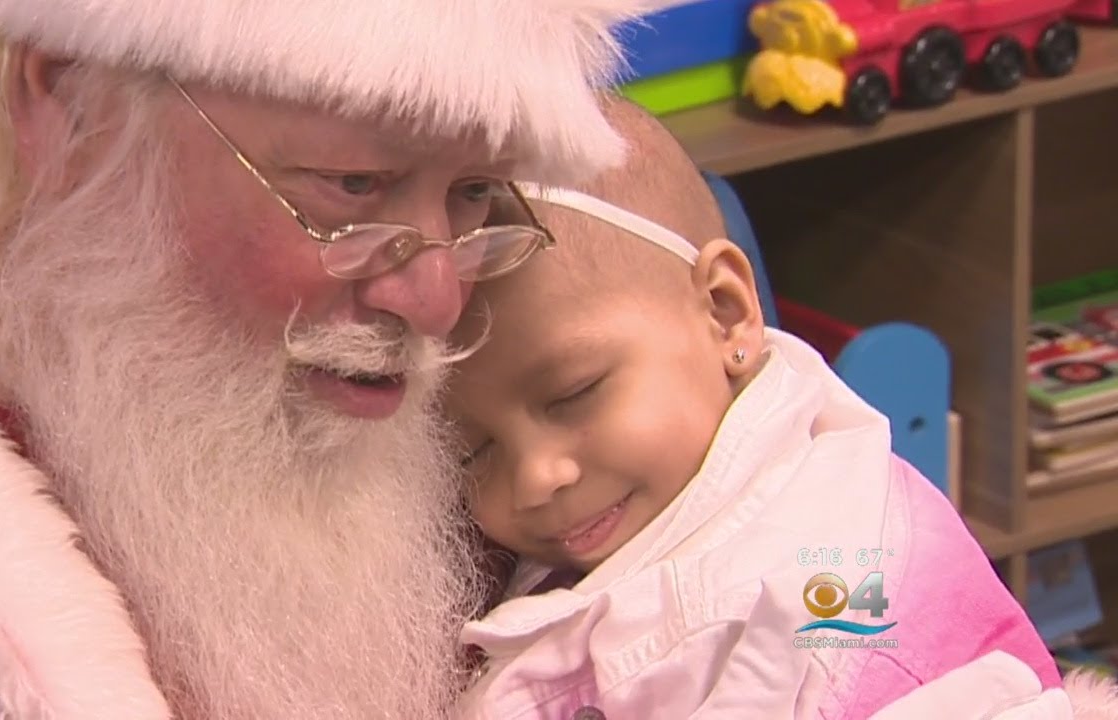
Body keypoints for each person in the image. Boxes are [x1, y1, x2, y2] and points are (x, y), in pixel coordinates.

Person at [0, 1, 660, 718]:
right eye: (354, 183)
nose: (438, 302)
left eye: (474, 192)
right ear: (69, 104)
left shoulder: (539, 386)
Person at [446, 100, 1118, 719]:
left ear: (725, 311)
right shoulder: (755, 473)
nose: (537, 477)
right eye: (473, 452)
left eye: (574, 393)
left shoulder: (770, 613)